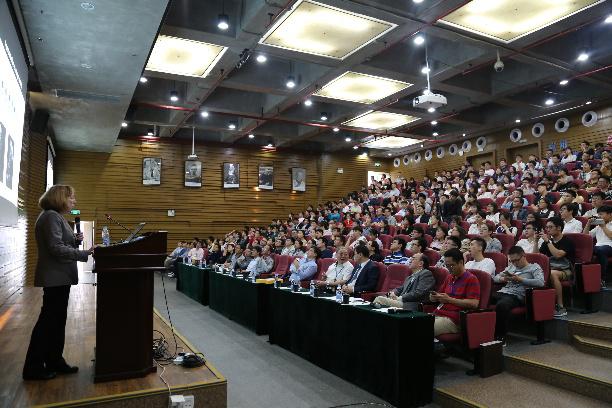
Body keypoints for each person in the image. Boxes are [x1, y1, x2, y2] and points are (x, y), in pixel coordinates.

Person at [23, 185, 94, 380]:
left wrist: (74, 241)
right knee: (48, 323)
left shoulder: (55, 216)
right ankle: (33, 368)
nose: (74, 201)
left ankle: (54, 360)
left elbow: (59, 244)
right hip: (55, 277)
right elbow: (55, 248)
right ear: (60, 198)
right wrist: (83, 253)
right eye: (71, 198)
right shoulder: (51, 217)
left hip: (60, 277)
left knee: (56, 322)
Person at [492, 246, 545, 343]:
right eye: (512, 261)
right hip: (503, 292)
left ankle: (500, 337)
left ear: (523, 256)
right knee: (482, 299)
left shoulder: (534, 267)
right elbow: (495, 278)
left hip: (516, 296)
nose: (515, 263)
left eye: (516, 260)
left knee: (502, 305)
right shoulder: (511, 267)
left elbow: (541, 282)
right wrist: (503, 279)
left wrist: (521, 280)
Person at [430, 248, 480, 336]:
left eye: (452, 265)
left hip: (454, 319)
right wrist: (434, 297)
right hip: (438, 313)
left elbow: (474, 303)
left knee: (422, 328)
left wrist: (449, 300)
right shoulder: (449, 277)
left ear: (461, 262)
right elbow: (439, 295)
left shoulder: (471, 279)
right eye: (447, 266)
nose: (449, 269)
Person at [536, 217, 575, 317]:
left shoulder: (567, 241)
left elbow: (558, 255)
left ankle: (560, 307)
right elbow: (537, 256)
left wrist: (548, 242)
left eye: (550, 227)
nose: (548, 230)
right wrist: (536, 241)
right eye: (546, 227)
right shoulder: (548, 242)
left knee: (552, 274)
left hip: (566, 270)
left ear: (559, 228)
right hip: (551, 268)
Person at [584, 205, 612, 286]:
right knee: (587, 251)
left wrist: (603, 226)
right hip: (598, 247)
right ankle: (586, 277)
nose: (599, 216)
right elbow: (585, 236)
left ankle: (602, 278)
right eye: (598, 214)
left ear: (610, 214)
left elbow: (611, 236)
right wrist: (588, 224)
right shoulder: (598, 226)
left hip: (609, 246)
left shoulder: (602, 225)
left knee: (600, 250)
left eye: (601, 214)